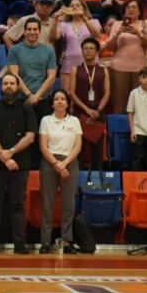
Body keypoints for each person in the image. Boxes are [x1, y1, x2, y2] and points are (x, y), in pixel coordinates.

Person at [0, 72, 37, 254]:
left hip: (20, 164)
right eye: (5, 83)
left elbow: (30, 137)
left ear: (18, 87)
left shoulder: (27, 109)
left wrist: (11, 152)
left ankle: (19, 243)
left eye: (12, 84)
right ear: (1, 86)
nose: (8, 87)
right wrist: (3, 156)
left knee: (17, 205)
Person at [38, 89, 82, 253]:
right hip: (49, 162)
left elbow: (78, 147)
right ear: (52, 104)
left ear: (68, 103)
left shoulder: (75, 121)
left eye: (63, 99)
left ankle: (66, 241)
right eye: (56, 99)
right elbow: (43, 146)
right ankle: (45, 242)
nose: (60, 101)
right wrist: (56, 163)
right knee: (47, 203)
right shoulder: (46, 120)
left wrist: (64, 164)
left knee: (68, 204)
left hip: (69, 161)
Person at [70, 37, 110, 172]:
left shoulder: (103, 70)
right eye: (85, 49)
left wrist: (97, 110)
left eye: (91, 48)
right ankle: (78, 176)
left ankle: (97, 177)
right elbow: (72, 93)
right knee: (79, 148)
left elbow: (107, 93)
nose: (88, 51)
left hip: (98, 113)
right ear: (82, 51)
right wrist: (87, 110)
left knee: (97, 149)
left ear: (97, 52)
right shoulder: (76, 69)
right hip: (80, 113)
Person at [6, 19, 57, 119]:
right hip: (21, 99)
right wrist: (29, 95)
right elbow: (14, 75)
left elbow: (51, 77)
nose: (32, 32)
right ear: (24, 32)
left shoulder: (49, 51)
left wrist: (36, 96)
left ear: (39, 31)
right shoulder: (14, 50)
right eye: (29, 29)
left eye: (35, 29)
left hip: (42, 100)